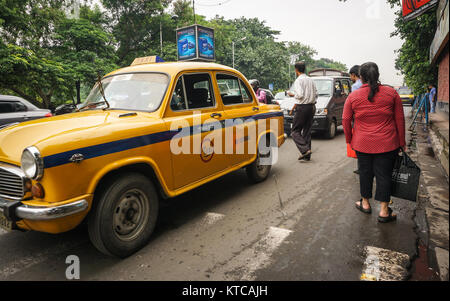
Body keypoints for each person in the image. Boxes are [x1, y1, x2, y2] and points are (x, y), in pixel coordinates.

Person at [342, 62, 406, 223]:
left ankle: (365, 203)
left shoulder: (353, 96)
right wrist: (401, 142)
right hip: (388, 143)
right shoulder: (391, 93)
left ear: (361, 77)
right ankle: (384, 211)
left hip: (362, 143)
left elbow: (345, 120)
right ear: (377, 75)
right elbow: (400, 120)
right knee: (384, 175)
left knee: (365, 173)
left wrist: (349, 140)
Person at [287, 61, 317, 161]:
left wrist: (292, 94)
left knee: (295, 131)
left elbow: (299, 95)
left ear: (296, 70)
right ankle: (307, 155)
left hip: (303, 107)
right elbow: (316, 94)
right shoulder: (311, 80)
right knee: (307, 131)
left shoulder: (299, 80)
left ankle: (304, 150)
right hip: (311, 107)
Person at [348, 65, 362, 174]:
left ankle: (361, 167)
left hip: (358, 117)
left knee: (358, 142)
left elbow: (354, 103)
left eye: (350, 76)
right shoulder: (367, 84)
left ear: (353, 75)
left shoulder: (355, 86)